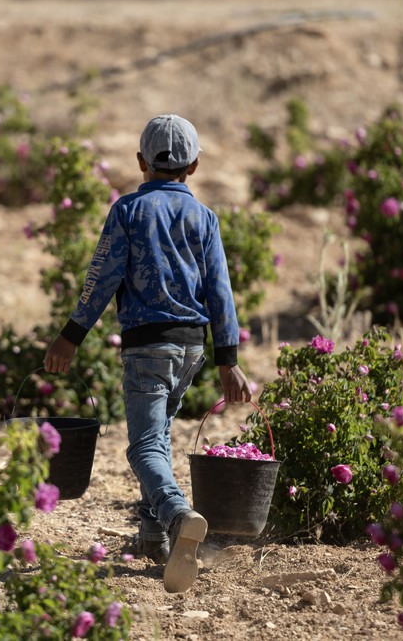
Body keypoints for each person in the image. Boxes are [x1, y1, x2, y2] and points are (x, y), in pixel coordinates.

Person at [43, 114, 252, 594]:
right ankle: (153, 537)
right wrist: (229, 360)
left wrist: (70, 336)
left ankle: (178, 517)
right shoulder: (205, 218)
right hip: (192, 348)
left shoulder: (128, 211)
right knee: (157, 437)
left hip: (147, 347)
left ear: (141, 161)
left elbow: (102, 279)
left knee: (142, 447)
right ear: (193, 166)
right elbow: (220, 291)